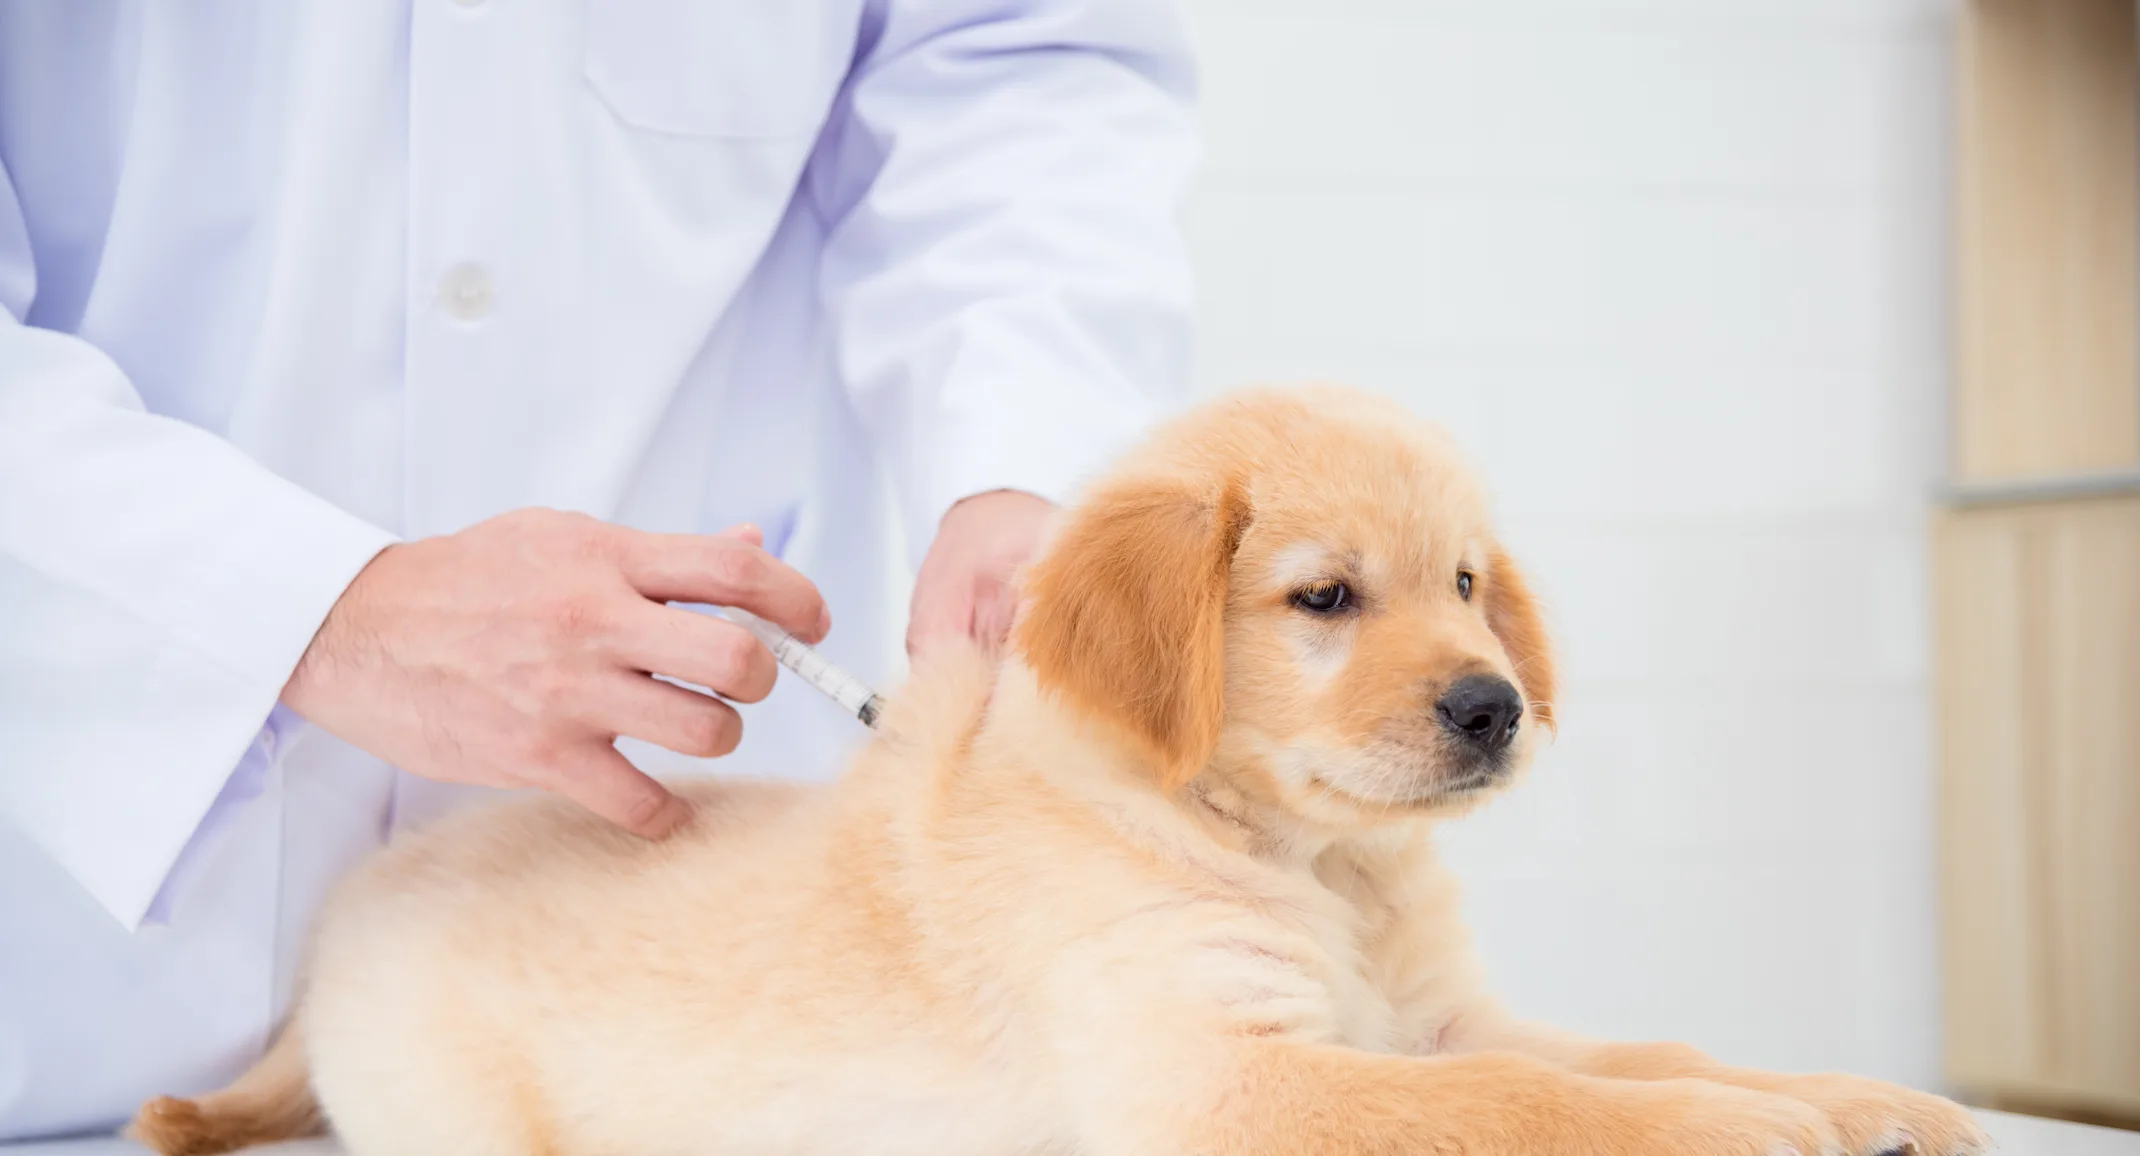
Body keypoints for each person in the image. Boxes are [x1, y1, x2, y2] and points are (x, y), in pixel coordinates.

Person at [0, 0, 1195, 1139]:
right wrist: (304, 606)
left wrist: (1025, 462)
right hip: (75, 970)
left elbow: (1008, 58)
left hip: (717, 1002)